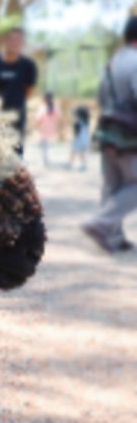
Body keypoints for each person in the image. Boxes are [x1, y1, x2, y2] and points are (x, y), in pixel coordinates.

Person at [81, 15, 137, 254]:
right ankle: (101, 223)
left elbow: (102, 98)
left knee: (112, 184)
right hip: (130, 134)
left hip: (107, 129)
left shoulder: (112, 61)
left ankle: (113, 237)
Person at [0, 26, 38, 154]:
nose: (14, 43)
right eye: (11, 39)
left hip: (16, 119)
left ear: (23, 44)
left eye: (18, 40)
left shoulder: (29, 66)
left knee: (15, 156)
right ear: (5, 41)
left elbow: (29, 91)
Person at [35, 92, 62, 168]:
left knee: (44, 145)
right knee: (48, 144)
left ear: (45, 99)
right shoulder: (55, 107)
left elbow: (38, 118)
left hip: (44, 128)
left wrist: (39, 125)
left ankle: (45, 160)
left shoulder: (43, 107)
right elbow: (59, 116)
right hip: (52, 128)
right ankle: (47, 160)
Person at [69, 104, 91, 171]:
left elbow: (76, 133)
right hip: (85, 139)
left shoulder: (78, 122)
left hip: (79, 139)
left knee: (73, 151)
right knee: (82, 152)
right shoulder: (86, 121)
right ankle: (84, 165)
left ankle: (70, 164)